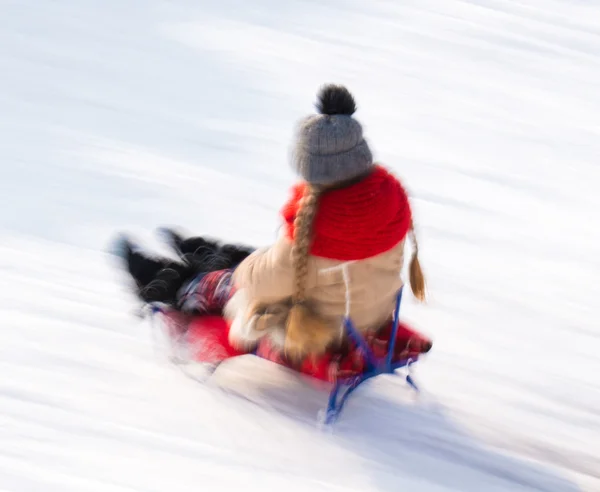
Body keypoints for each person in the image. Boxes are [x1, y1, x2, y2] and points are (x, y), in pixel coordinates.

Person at [113, 83, 426, 364]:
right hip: (372, 310)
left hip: (320, 330)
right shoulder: (390, 200)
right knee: (259, 260)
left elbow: (264, 282)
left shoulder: (318, 226)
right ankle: (202, 252)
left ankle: (155, 277)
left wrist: (244, 270)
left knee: (223, 283)